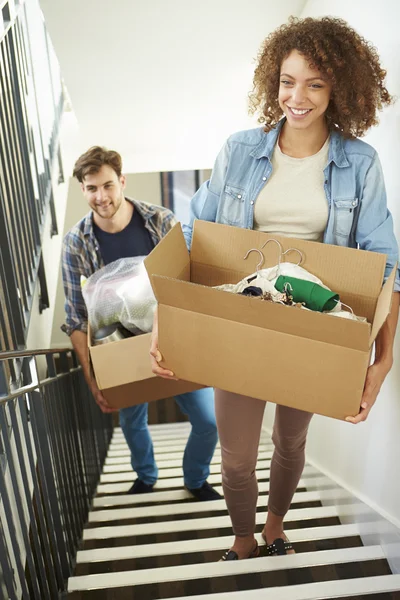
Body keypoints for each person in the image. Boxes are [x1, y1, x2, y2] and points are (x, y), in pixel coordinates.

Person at [151, 16, 400, 558]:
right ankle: (242, 537)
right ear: (273, 82)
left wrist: (380, 365)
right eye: (288, 81)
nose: (298, 96)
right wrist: (163, 324)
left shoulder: (361, 164)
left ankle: (274, 528)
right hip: (243, 310)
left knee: (290, 441)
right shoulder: (240, 150)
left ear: (339, 89)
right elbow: (194, 242)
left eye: (315, 83)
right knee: (237, 455)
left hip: (312, 323)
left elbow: (384, 269)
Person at [61, 146, 221, 500]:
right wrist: (94, 380)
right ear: (83, 190)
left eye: (107, 185)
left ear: (122, 181)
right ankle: (145, 477)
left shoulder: (159, 220)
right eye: (91, 189)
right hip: (118, 347)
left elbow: (187, 282)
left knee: (209, 421)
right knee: (132, 422)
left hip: (172, 337)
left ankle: (195, 479)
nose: (101, 197)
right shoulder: (76, 242)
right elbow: (75, 317)